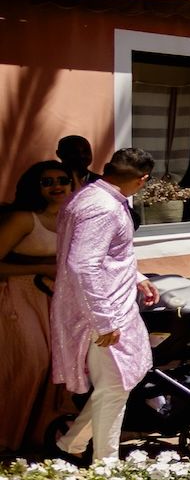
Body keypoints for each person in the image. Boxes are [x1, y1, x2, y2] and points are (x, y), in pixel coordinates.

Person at [51, 148, 159, 462]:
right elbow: (82, 266)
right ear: (142, 180)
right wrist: (104, 320)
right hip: (102, 310)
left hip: (106, 305)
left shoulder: (90, 197)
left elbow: (107, 254)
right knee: (114, 387)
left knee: (115, 385)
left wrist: (136, 276)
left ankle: (70, 444)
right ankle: (105, 468)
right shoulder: (103, 207)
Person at [0, 161, 75, 453]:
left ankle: (41, 435)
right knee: (32, 363)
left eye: (62, 180)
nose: (57, 186)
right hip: (18, 298)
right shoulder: (23, 219)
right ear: (36, 187)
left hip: (57, 300)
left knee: (59, 365)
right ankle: (7, 436)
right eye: (47, 181)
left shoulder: (74, 218)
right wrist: (41, 268)